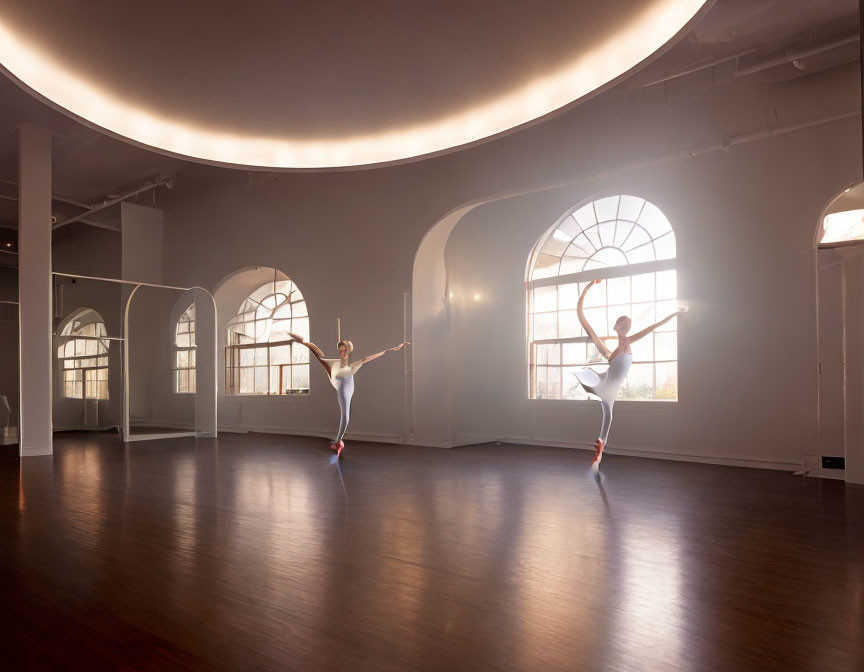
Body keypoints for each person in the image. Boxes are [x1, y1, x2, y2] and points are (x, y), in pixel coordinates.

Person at [575, 279, 687, 471]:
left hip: (608, 388)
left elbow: (652, 326)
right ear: (621, 328)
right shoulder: (618, 348)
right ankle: (601, 445)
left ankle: (600, 449)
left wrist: (676, 313)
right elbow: (583, 319)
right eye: (624, 324)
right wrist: (586, 289)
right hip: (607, 386)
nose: (624, 327)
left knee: (607, 419)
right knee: (607, 417)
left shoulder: (618, 347)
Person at [289, 333, 409, 456]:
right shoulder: (333, 364)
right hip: (341, 385)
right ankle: (338, 441)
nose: (343, 352)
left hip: (349, 385)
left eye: (345, 350)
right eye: (341, 350)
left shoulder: (352, 366)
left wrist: (390, 350)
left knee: (346, 415)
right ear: (339, 351)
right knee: (345, 415)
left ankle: (338, 440)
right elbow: (316, 350)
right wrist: (303, 341)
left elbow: (368, 358)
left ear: (349, 351)